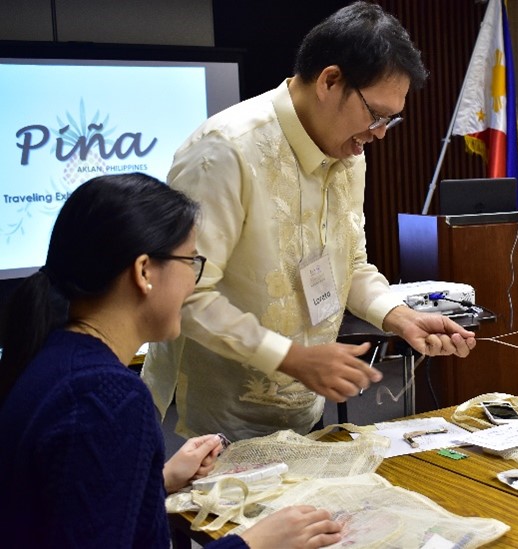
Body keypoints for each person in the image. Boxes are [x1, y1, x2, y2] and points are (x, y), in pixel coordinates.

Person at [141, 1, 476, 441]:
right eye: (376, 115)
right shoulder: (225, 151)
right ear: (330, 81)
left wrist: (397, 316)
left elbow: (350, 264)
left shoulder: (349, 152)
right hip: (207, 419)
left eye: (390, 122)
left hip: (303, 404)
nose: (378, 134)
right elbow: (183, 293)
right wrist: (291, 357)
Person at [0, 173, 342, 548]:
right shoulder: (106, 398)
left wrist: (155, 480)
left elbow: (70, 507)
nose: (193, 283)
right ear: (144, 271)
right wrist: (254, 544)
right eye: (190, 261)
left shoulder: (58, 356)